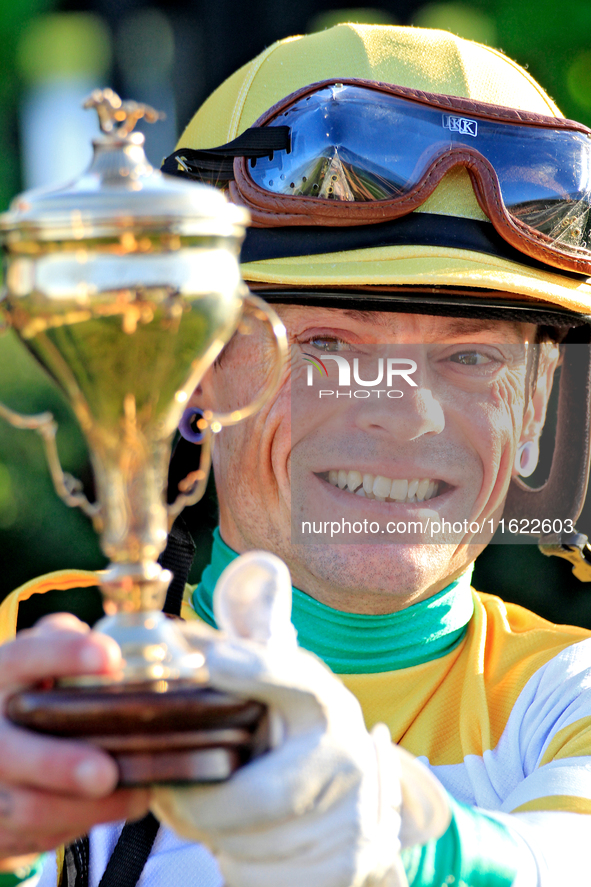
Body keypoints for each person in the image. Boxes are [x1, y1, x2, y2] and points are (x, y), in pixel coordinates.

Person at [2, 21, 591, 887]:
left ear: (536, 403)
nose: (409, 414)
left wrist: (399, 838)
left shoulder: (568, 697)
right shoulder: (30, 680)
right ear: (188, 368)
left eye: (470, 356)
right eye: (327, 343)